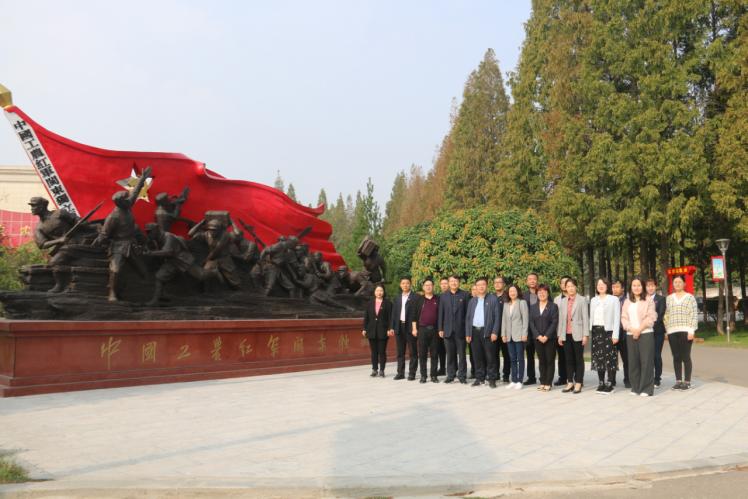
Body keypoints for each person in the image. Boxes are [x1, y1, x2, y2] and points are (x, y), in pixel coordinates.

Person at [621, 276, 657, 397]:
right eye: (634, 285)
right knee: (633, 361)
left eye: (639, 285)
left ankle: (646, 388)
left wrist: (639, 330)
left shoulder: (648, 300)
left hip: (645, 333)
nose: (636, 288)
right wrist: (632, 329)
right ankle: (635, 387)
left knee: (646, 361)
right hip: (630, 334)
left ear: (643, 287)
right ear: (631, 287)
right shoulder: (627, 301)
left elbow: (651, 317)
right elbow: (624, 318)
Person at [663, 274, 698, 391]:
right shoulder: (669, 298)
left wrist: (691, 331)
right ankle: (678, 381)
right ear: (673, 284)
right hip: (672, 331)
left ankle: (687, 381)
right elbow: (666, 315)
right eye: (675, 282)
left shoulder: (690, 298)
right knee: (676, 356)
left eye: (679, 282)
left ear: (684, 284)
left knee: (685, 356)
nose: (677, 284)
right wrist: (667, 329)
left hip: (686, 330)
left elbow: (693, 315)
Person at [465, 277, 501, 388]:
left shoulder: (493, 299)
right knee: (477, 356)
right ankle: (479, 378)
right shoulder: (472, 301)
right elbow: (468, 318)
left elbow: (497, 317)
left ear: (487, 286)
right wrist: (468, 333)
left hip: (488, 332)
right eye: (479, 285)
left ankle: (492, 378)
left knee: (490, 357)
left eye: (483, 284)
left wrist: (495, 332)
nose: (481, 287)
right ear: (475, 287)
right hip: (474, 332)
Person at [589, 277, 621, 394]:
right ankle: (601, 382)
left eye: (603, 284)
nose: (600, 286)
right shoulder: (593, 300)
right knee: (599, 358)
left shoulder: (614, 299)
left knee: (610, 357)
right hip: (596, 331)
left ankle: (610, 382)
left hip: (608, 331)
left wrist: (615, 335)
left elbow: (617, 318)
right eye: (598, 284)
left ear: (607, 286)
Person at [557, 278, 589, 394]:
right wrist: (560, 335)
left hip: (578, 334)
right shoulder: (563, 301)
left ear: (576, 287)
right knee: (568, 359)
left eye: (572, 286)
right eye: (568, 286)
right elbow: (561, 319)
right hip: (566, 334)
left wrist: (585, 335)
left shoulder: (582, 300)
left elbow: (585, 318)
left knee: (579, 359)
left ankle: (579, 382)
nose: (570, 288)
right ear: (565, 288)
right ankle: (570, 382)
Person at [438, 275, 470, 384]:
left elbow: (468, 315)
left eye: (456, 281)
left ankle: (462, 375)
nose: (454, 283)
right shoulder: (443, 296)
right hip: (447, 330)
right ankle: (450, 375)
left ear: (459, 282)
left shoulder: (465, 295)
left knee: (462, 355)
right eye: (451, 281)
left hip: (461, 330)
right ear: (448, 283)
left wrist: (467, 330)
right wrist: (440, 328)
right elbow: (441, 313)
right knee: (450, 354)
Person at [529, 284, 558, 392]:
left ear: (548, 293)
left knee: (550, 360)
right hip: (537, 338)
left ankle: (548, 382)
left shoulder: (553, 306)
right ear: (537, 294)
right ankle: (542, 381)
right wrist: (537, 335)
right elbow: (531, 323)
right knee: (541, 360)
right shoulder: (533, 307)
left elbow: (554, 322)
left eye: (544, 291)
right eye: (539, 292)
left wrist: (546, 336)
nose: (542, 293)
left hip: (550, 338)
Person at [412, 278, 441, 383]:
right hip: (422, 330)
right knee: (422, 354)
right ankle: (423, 376)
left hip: (434, 330)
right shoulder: (419, 299)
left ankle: (434, 375)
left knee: (434, 354)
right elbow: (414, 315)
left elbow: (441, 315)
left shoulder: (438, 299)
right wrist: (414, 329)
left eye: (430, 285)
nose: (428, 287)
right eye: (426, 285)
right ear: (423, 287)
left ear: (433, 286)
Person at [501, 284, 529, 390]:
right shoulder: (506, 304)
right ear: (508, 293)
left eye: (514, 291)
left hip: (519, 335)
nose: (512, 293)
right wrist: (503, 334)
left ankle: (520, 381)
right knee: (512, 358)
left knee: (520, 358)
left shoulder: (522, 303)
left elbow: (525, 319)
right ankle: (513, 380)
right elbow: (504, 320)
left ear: (518, 292)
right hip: (509, 336)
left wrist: (524, 334)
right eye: (510, 291)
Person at [362, 284, 393, 378]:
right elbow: (366, 317)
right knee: (374, 352)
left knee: (382, 351)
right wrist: (364, 328)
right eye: (377, 291)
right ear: (374, 292)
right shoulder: (370, 303)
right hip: (371, 330)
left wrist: (390, 328)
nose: (379, 292)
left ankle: (382, 370)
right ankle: (374, 369)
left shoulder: (388, 303)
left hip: (383, 331)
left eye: (381, 291)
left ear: (383, 292)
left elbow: (390, 318)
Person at [391, 277, 417, 380]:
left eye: (407, 283)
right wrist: (392, 327)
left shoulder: (415, 297)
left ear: (410, 284)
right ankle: (400, 373)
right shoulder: (397, 298)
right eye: (403, 283)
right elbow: (394, 314)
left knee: (412, 351)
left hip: (410, 327)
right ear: (400, 285)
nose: (405, 285)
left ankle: (412, 373)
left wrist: (416, 327)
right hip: (399, 327)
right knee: (400, 352)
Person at [647, 278, 667, 388]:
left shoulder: (661, 299)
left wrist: (649, 325)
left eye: (652, 285)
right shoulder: (643, 299)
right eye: (648, 286)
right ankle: (648, 377)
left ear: (655, 287)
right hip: (645, 332)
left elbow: (660, 315)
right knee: (647, 355)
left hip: (657, 331)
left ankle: (657, 378)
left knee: (656, 355)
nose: (650, 288)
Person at [611, 278, 631, 388]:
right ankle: (612, 380)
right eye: (613, 287)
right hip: (612, 333)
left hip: (624, 333)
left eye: (617, 287)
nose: (615, 289)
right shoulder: (609, 300)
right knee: (612, 358)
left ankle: (628, 379)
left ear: (622, 288)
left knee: (626, 359)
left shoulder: (627, 301)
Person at [553, 276, 570, 386]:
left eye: (566, 282)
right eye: (562, 283)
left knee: (573, 357)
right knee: (561, 356)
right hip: (559, 332)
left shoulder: (577, 298)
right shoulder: (556, 299)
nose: (564, 285)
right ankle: (562, 377)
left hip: (573, 331)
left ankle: (574, 378)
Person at [522, 272, 539, 385]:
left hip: (540, 329)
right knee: (529, 355)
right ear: (527, 282)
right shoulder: (523, 296)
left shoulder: (543, 293)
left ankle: (544, 377)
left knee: (542, 355)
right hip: (528, 330)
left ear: (537, 281)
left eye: (534, 279)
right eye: (530, 279)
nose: (532, 281)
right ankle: (531, 377)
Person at [493, 276, 511, 383]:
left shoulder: (508, 297)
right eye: (495, 282)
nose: (497, 284)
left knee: (506, 355)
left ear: (504, 284)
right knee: (494, 354)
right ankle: (496, 374)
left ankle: (506, 375)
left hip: (506, 331)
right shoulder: (491, 297)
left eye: (499, 282)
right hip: (494, 331)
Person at [436, 277, 449, 375]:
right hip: (439, 327)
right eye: (442, 284)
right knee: (440, 349)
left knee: (451, 349)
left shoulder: (451, 296)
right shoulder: (438, 297)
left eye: (446, 283)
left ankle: (453, 368)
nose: (444, 285)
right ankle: (442, 368)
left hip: (449, 327)